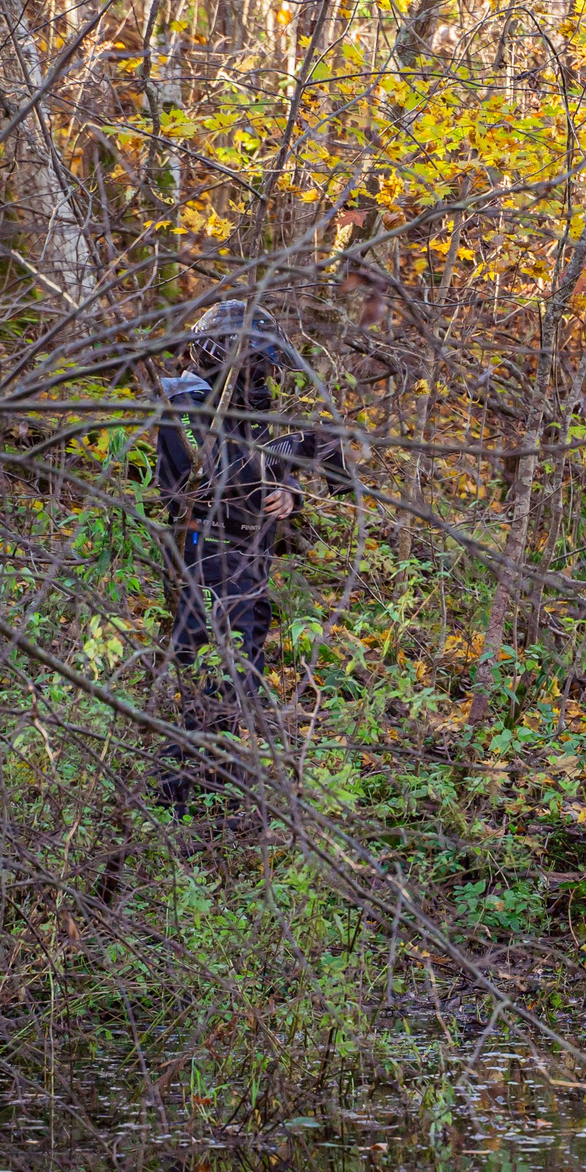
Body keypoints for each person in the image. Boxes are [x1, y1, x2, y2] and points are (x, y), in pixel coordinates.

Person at [154, 299, 348, 798]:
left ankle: (213, 780)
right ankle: (181, 794)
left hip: (247, 555)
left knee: (239, 670)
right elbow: (214, 478)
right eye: (247, 357)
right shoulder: (188, 400)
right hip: (210, 551)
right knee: (216, 669)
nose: (255, 370)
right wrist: (298, 450)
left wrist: (291, 491)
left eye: (260, 360)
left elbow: (258, 481)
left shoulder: (242, 409)